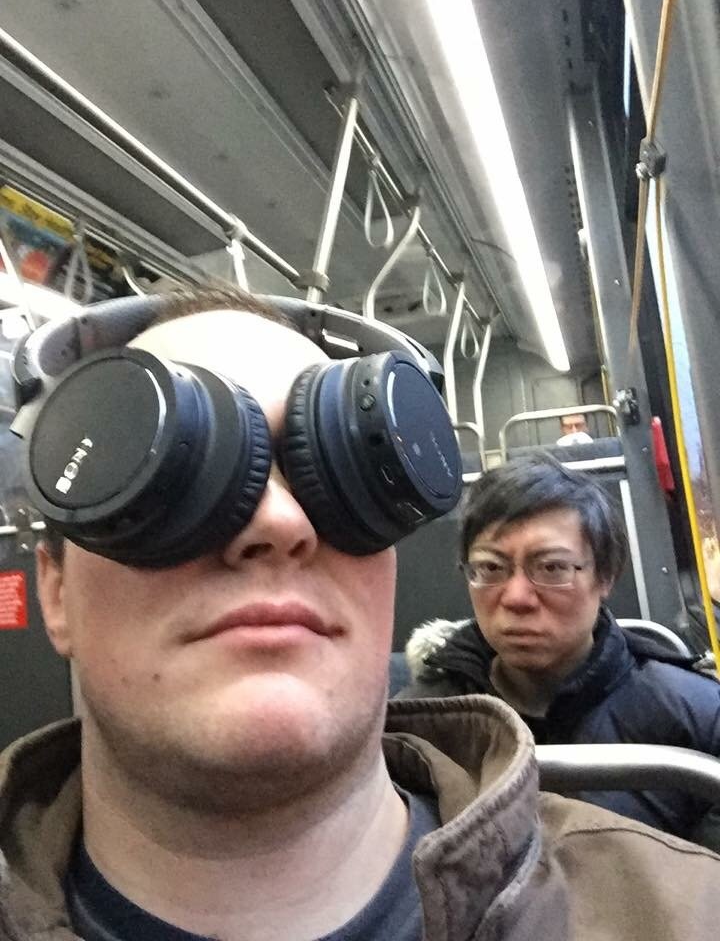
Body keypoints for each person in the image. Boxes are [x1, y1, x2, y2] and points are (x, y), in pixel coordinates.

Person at [2, 288, 720, 941]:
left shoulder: (685, 913)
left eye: (329, 472)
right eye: (172, 475)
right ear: (55, 592)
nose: (280, 520)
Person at [399, 454, 720, 849]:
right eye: (491, 568)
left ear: (606, 576)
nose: (516, 597)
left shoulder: (699, 721)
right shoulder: (421, 723)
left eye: (551, 568)